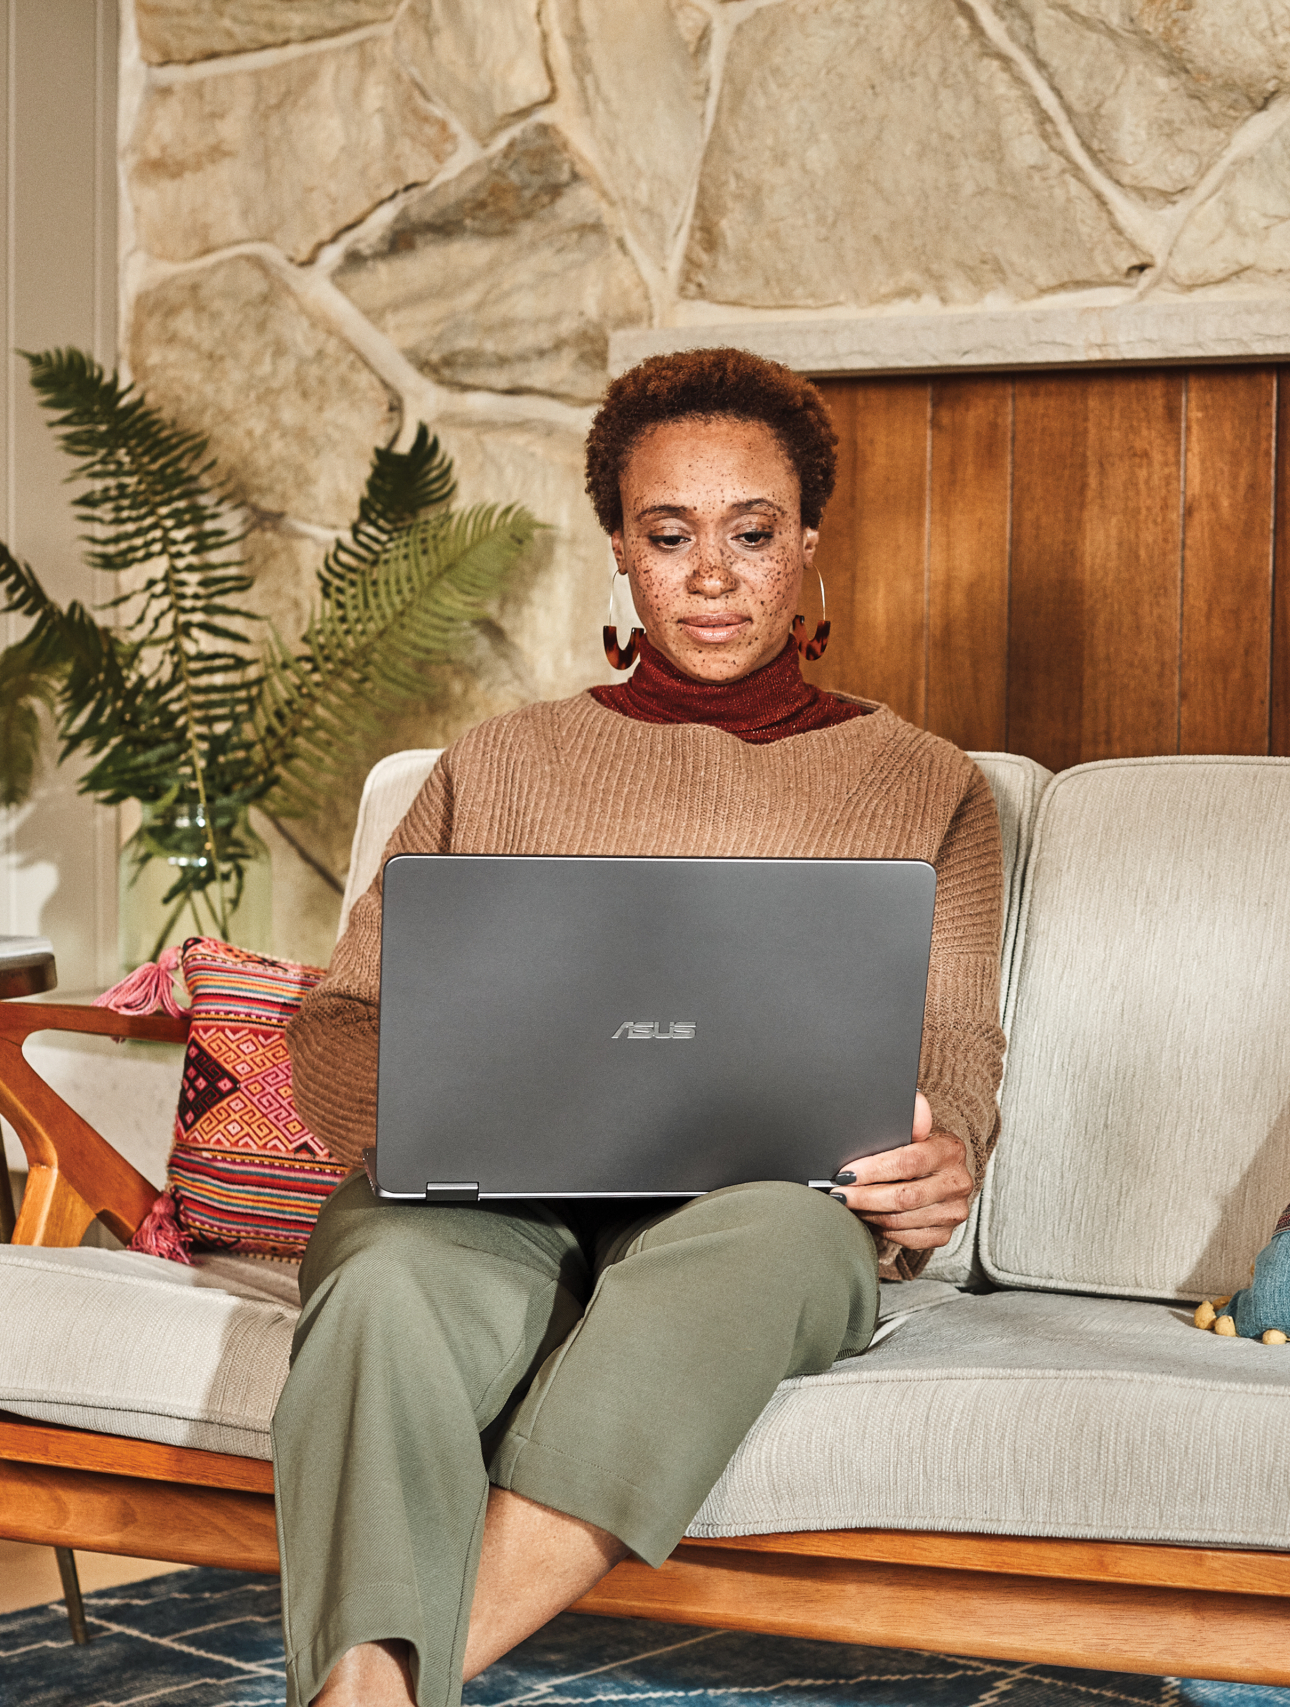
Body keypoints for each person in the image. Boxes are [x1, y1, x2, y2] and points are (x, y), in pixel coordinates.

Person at [272, 347, 1006, 1707]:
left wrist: (940, 1156)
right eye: (671, 536)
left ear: (809, 547)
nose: (714, 576)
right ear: (623, 548)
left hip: (763, 1209)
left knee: (780, 1234)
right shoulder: (493, 766)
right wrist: (427, 1129)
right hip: (493, 1194)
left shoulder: (931, 785)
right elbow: (344, 1021)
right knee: (382, 1284)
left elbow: (955, 1052)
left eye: (753, 534)